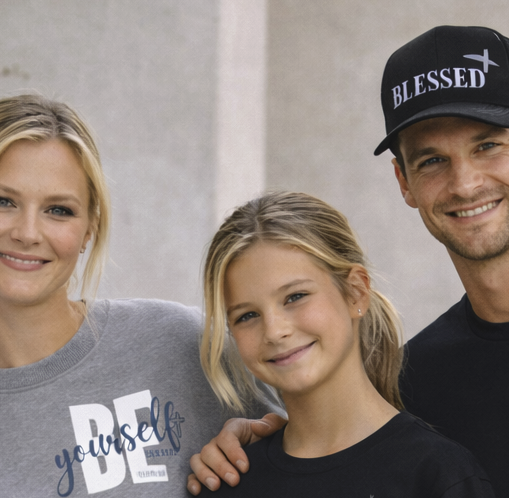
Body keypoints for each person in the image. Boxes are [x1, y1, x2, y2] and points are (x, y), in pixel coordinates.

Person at [187, 25, 509, 497]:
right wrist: (263, 450)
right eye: (432, 160)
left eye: (487, 145)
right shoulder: (414, 380)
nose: (464, 183)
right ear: (404, 182)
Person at [0, 94, 273, 497]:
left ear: (89, 229)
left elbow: (327, 454)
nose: (27, 232)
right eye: (1, 201)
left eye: (58, 210)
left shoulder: (181, 344)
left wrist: (266, 445)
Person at [195, 191, 493, 497]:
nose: (274, 330)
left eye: (295, 297)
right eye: (247, 315)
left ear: (355, 293)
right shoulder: (226, 482)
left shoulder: (437, 475)